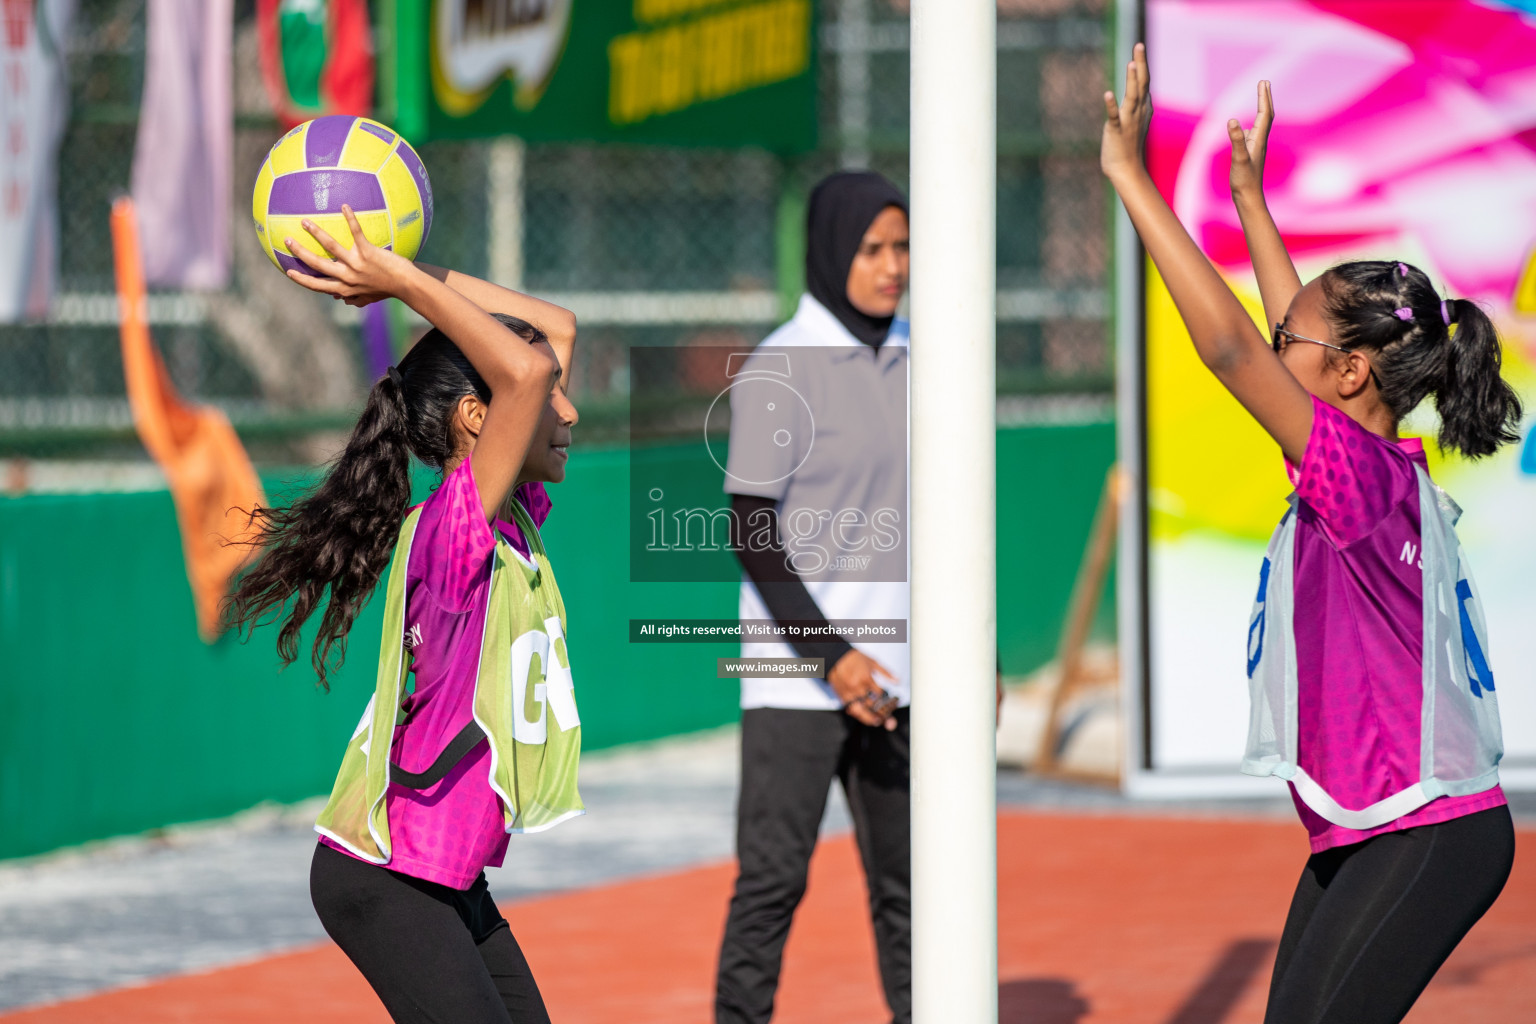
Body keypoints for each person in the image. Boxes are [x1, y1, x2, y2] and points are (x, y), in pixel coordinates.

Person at [1101, 47, 1517, 1024]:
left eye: (1298, 342)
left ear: (1348, 378)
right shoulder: (1372, 463)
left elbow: (1236, 348)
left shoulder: (1358, 480)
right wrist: (1250, 202)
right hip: (1383, 825)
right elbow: (1305, 345)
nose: (1277, 345)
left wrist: (1131, 177)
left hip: (1427, 827)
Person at [225, 205, 581, 1024]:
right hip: (386, 875)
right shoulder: (456, 530)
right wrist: (400, 283)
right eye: (548, 400)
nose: (567, 412)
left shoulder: (518, 515)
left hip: (442, 875)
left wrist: (393, 269)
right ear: (475, 419)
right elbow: (528, 372)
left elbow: (554, 329)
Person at [714, 170, 913, 1024]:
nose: (892, 266)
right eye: (873, 249)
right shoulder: (780, 366)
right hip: (797, 679)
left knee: (916, 896)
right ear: (834, 251)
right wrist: (831, 659)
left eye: (903, 247)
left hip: (906, 677)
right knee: (771, 885)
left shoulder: (922, 352)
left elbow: (950, 522)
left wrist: (980, 656)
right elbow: (752, 533)